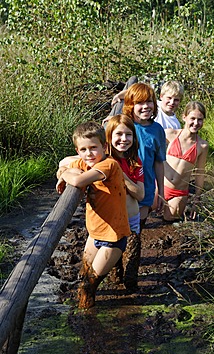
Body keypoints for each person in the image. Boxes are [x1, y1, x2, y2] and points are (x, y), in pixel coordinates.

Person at [56, 121, 130, 309]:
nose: (89, 154)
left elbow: (79, 180)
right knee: (83, 275)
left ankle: (87, 318)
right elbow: (63, 166)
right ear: (78, 150)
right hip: (94, 234)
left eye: (93, 148)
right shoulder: (84, 162)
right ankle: (86, 309)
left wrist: (65, 176)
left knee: (89, 284)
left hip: (113, 237)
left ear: (105, 147)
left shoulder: (108, 165)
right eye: (83, 149)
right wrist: (62, 172)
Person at [105, 114, 144, 290]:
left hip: (132, 220)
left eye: (128, 135)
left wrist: (121, 174)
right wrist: (62, 173)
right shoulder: (102, 160)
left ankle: (133, 295)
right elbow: (71, 161)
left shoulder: (134, 161)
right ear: (109, 136)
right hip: (112, 222)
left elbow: (140, 194)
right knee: (114, 269)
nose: (124, 139)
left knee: (131, 268)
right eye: (118, 134)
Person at [122, 83, 166, 230]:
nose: (146, 106)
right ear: (130, 105)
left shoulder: (157, 130)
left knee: (137, 229)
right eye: (140, 103)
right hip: (124, 188)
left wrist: (160, 191)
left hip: (146, 187)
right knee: (122, 230)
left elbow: (159, 163)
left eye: (149, 102)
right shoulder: (123, 127)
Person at [163, 101, 209, 222]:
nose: (196, 123)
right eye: (192, 118)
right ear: (184, 117)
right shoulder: (169, 134)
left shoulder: (202, 146)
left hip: (179, 192)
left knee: (169, 219)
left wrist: (197, 199)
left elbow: (200, 173)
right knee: (145, 212)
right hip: (161, 186)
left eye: (200, 120)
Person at [108, 77, 184, 129]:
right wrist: (119, 96)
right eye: (169, 98)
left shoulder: (176, 124)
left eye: (176, 100)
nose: (172, 102)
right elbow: (135, 93)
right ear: (161, 96)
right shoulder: (153, 105)